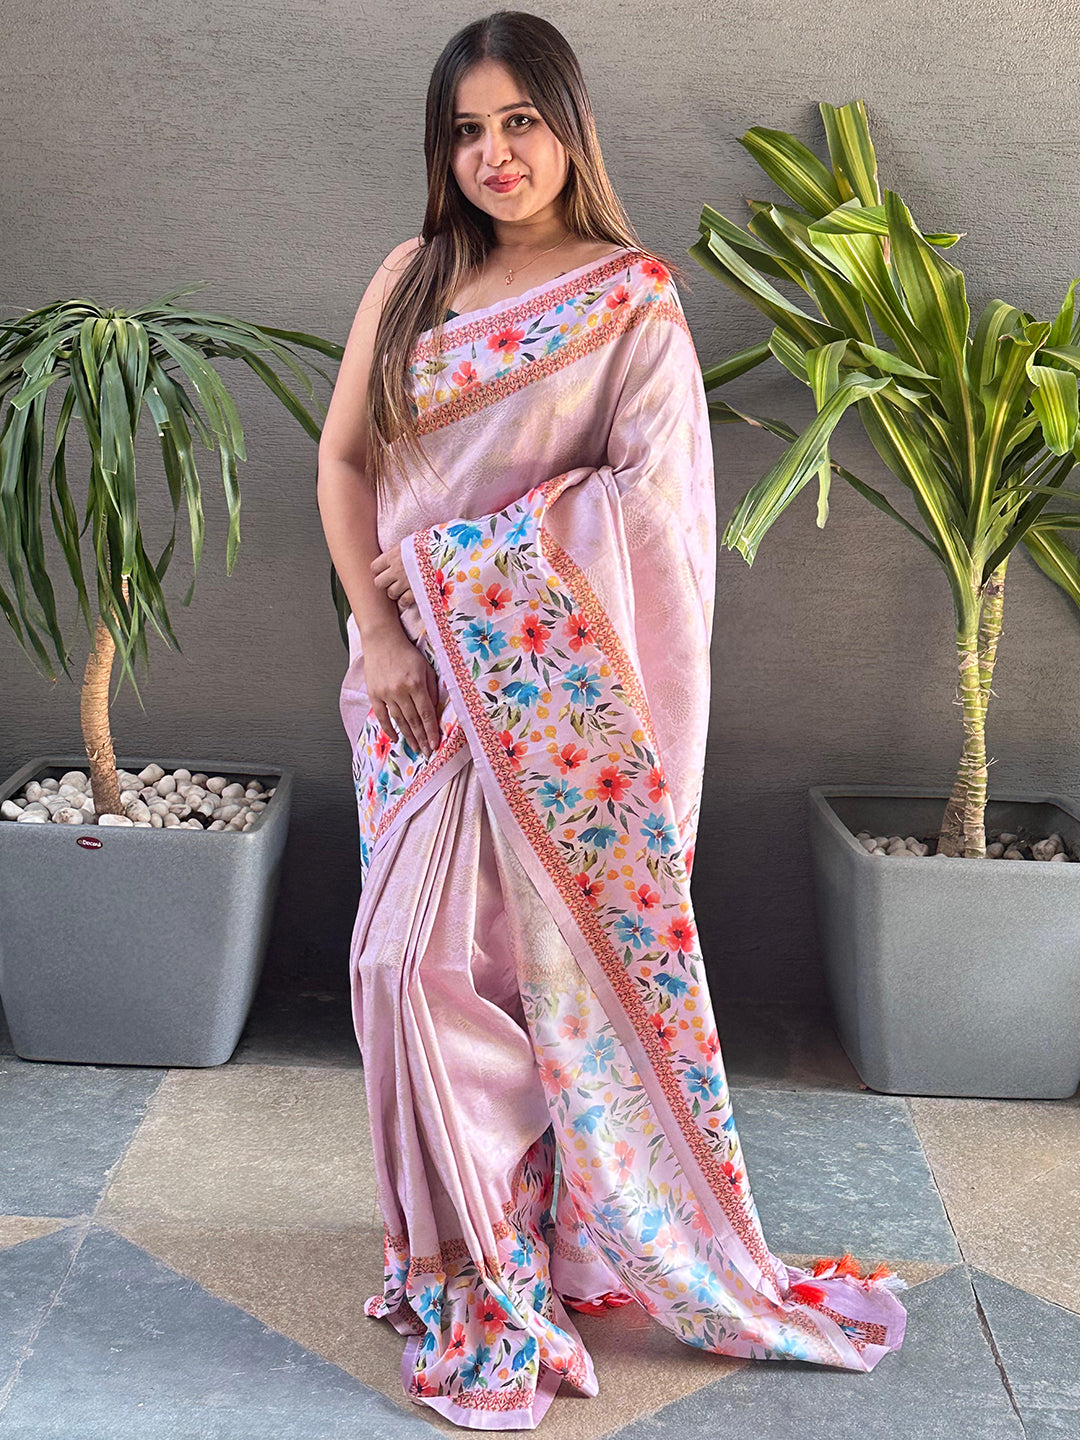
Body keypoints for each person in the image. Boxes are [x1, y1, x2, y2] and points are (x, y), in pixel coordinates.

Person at [316, 10, 908, 1429]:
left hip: (544, 710)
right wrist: (394, 627)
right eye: (467, 129)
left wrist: (466, 573)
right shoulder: (412, 280)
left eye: (520, 120)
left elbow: (654, 525)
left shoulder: (628, 300)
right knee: (409, 975)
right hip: (411, 694)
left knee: (501, 981)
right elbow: (345, 459)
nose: (493, 153)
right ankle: (461, 1251)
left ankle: (523, 1257)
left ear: (568, 128)